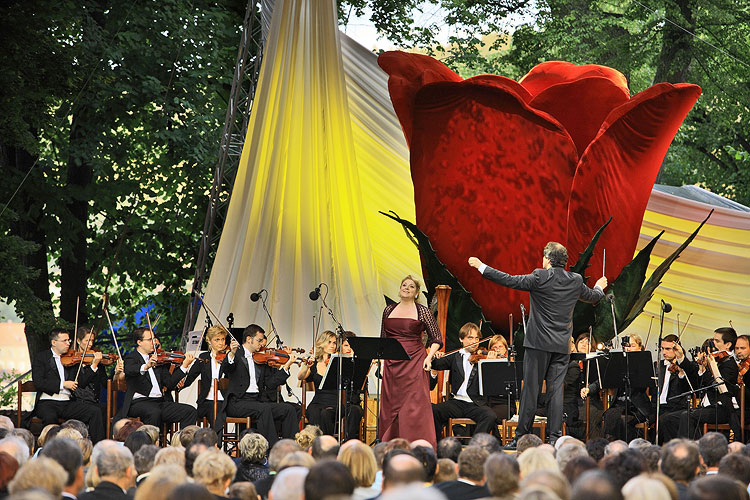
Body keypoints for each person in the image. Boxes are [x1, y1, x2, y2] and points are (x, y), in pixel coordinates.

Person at [469, 242, 606, 446]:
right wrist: (599, 286)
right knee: (555, 392)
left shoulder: (540, 276)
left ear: (547, 260)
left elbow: (509, 280)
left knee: (531, 391)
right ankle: (554, 439)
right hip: (561, 346)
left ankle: (521, 438)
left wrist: (482, 266)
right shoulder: (575, 280)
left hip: (538, 345)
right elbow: (594, 296)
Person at [379, 275, 443, 448]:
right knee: (391, 405)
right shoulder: (388, 310)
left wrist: (429, 357)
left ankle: (418, 445)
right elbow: (383, 338)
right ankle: (390, 444)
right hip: (392, 365)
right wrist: (381, 361)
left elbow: (436, 338)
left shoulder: (422, 311)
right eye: (404, 285)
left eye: (411, 286)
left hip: (414, 362)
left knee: (414, 405)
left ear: (416, 293)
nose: (406, 288)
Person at [222, 324, 298, 446]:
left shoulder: (260, 358)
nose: (262, 344)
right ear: (248, 339)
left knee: (288, 409)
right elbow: (226, 368)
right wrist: (231, 354)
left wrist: (286, 366)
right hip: (237, 402)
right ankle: (272, 450)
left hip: (256, 401)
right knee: (264, 409)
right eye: (259, 340)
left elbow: (270, 384)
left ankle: (292, 447)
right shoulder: (236, 354)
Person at [31, 328, 106, 443]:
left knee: (94, 411)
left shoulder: (71, 359)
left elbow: (81, 382)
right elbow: (39, 382)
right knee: (50, 417)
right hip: (48, 401)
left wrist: (93, 366)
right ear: (54, 342)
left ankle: (99, 447)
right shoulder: (42, 357)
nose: (68, 343)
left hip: (67, 402)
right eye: (64, 341)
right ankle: (50, 449)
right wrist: (62, 384)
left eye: (69, 340)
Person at [117, 327, 197, 430]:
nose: (154, 342)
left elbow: (170, 384)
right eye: (150, 339)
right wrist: (146, 366)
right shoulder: (131, 358)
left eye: (154, 339)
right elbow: (130, 369)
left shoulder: (158, 359)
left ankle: (184, 443)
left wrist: (184, 366)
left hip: (159, 402)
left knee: (190, 411)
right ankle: (151, 444)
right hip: (139, 403)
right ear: (139, 342)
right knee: (154, 412)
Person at [430, 322, 499, 442]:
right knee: (434, 410)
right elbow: (435, 365)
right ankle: (436, 445)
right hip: (456, 402)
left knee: (490, 416)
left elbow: (492, 384)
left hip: (475, 403)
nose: (474, 341)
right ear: (461, 339)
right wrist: (435, 356)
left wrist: (490, 365)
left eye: (477, 338)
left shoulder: (483, 357)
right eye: (470, 337)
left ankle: (474, 446)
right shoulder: (454, 356)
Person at [582, 333, 652, 441]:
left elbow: (644, 384)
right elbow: (602, 380)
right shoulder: (618, 363)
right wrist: (589, 389)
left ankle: (623, 445)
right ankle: (611, 443)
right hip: (619, 405)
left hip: (636, 407)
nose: (628, 349)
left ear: (640, 347)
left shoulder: (644, 364)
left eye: (632, 346)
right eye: (627, 346)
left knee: (620, 418)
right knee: (610, 414)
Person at [671, 328, 739, 439]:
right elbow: (694, 377)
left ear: (728, 344)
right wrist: (681, 357)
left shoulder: (729, 364)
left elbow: (718, 387)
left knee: (687, 416)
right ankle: (678, 449)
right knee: (669, 419)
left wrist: (707, 370)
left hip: (721, 408)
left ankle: (693, 450)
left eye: (717, 341)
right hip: (706, 407)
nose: (713, 344)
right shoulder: (715, 360)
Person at [182, 325, 230, 430]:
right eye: (217, 340)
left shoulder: (230, 357)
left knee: (218, 411)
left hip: (225, 401)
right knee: (215, 411)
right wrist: (178, 384)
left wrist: (230, 359)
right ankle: (215, 443)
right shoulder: (204, 358)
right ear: (209, 340)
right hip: (206, 401)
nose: (221, 343)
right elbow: (190, 377)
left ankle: (215, 443)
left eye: (222, 339)